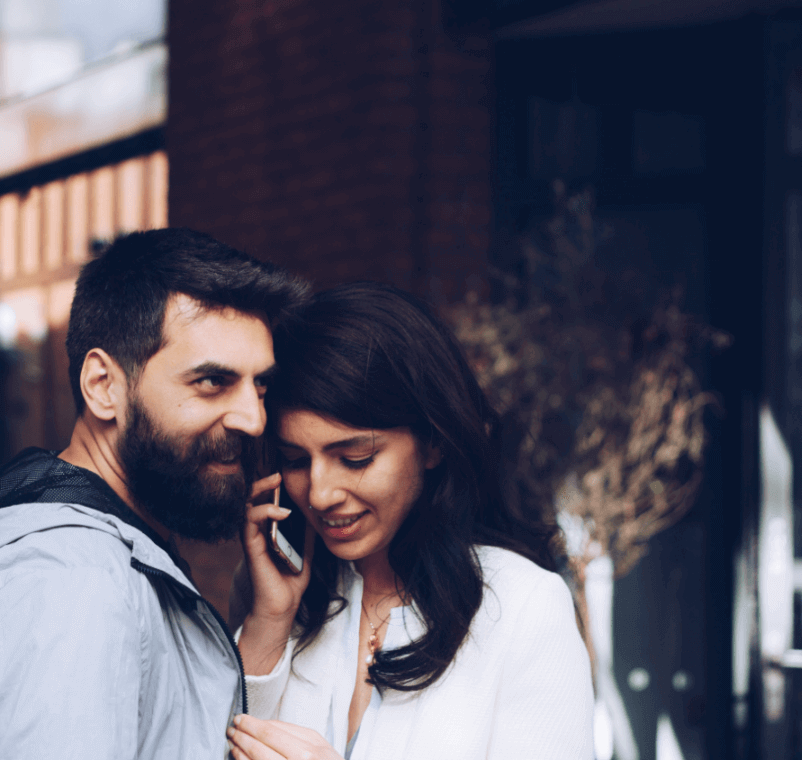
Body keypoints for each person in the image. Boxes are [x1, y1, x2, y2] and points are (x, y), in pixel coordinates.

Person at [0, 228, 309, 759]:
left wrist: (268, 620)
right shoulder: (73, 583)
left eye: (261, 387)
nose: (253, 418)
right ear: (103, 387)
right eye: (212, 382)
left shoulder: (97, 554)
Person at [228, 283, 594, 760]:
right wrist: (269, 622)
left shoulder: (524, 605)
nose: (320, 494)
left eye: (355, 458)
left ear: (433, 443)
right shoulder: (272, 595)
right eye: (296, 460)